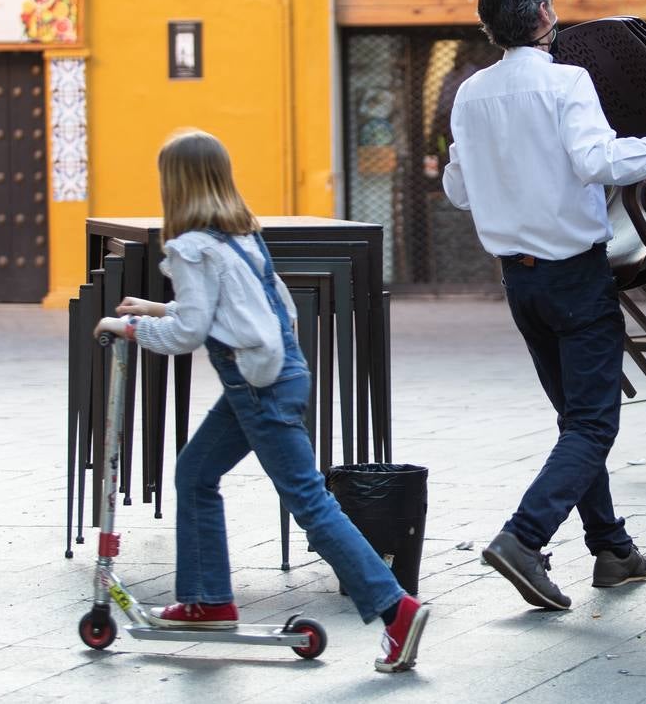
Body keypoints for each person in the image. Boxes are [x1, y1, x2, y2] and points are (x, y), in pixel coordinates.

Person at [97, 130, 430, 673]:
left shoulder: (190, 247)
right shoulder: (238, 237)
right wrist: (158, 308)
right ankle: (208, 602)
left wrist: (128, 325)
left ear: (175, 184)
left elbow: (187, 335)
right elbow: (233, 309)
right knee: (196, 473)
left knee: (311, 506)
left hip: (257, 386)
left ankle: (396, 608)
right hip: (277, 373)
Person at [441, 0, 646, 610]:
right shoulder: (567, 81)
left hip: (520, 284)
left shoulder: (471, 95)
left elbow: (457, 190)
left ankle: (612, 549)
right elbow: (597, 161)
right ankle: (523, 538)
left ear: (488, 27)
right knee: (592, 424)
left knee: (575, 419)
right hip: (574, 276)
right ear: (543, 16)